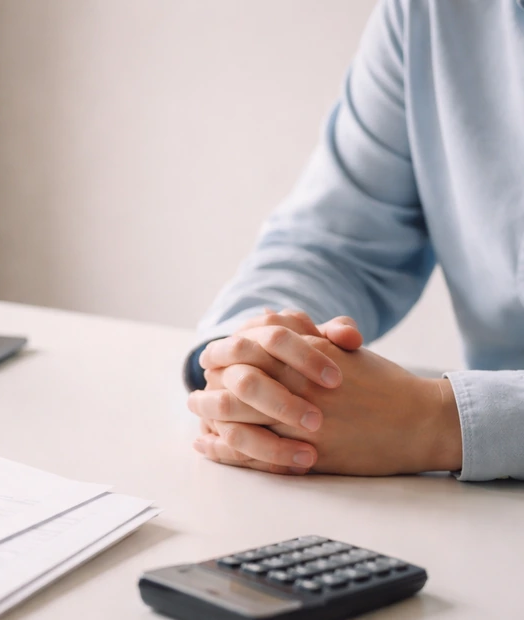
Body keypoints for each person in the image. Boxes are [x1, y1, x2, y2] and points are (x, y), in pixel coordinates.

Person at [184, 0, 524, 482]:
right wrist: (257, 360)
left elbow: (436, 423)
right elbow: (332, 244)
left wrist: (440, 422)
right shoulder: (427, 13)